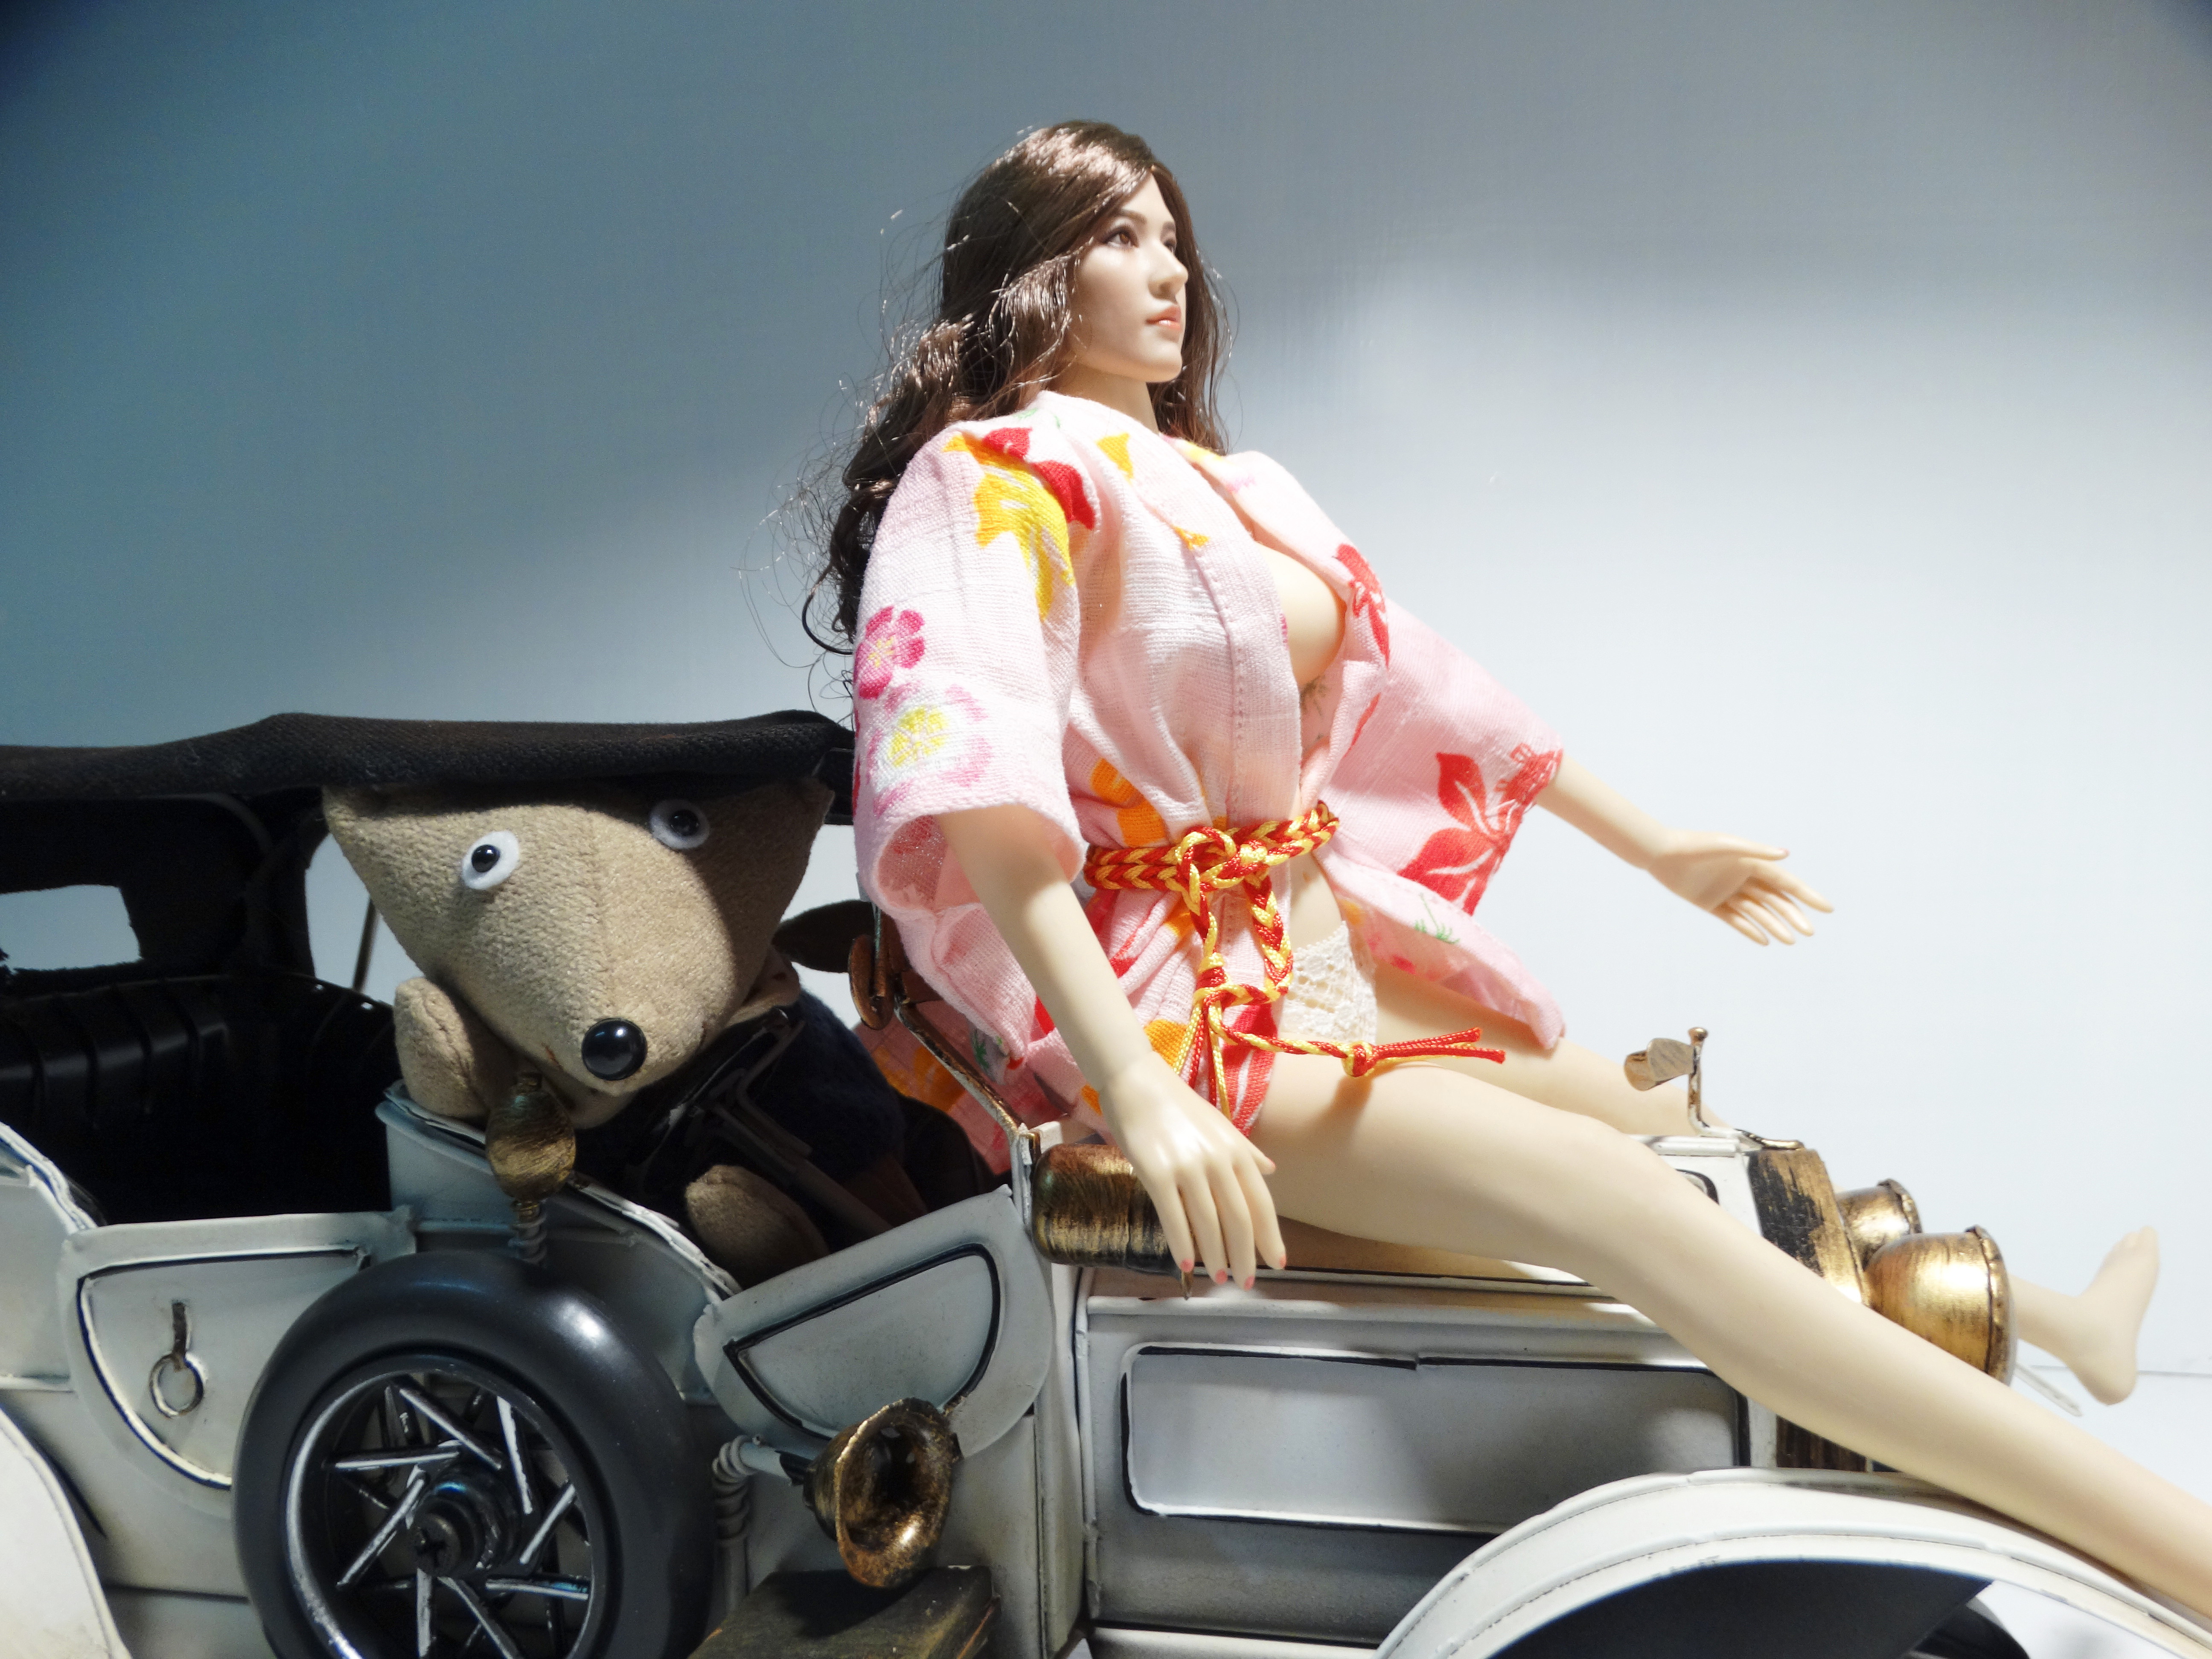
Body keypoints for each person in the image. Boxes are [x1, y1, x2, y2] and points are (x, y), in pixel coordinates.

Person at [811, 121, 2197, 1609]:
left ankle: (2053, 1325)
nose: (1171, 274)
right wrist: (1133, 1088)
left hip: (1314, 952)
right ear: (1031, 272)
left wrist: (1654, 843)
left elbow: (1424, 679)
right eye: (1119, 238)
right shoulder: (989, 475)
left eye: (1173, 238)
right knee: (1627, 1203)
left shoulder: (1230, 485)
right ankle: (2166, 1544)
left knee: (1687, 1133)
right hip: (1174, 1011)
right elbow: (988, 799)